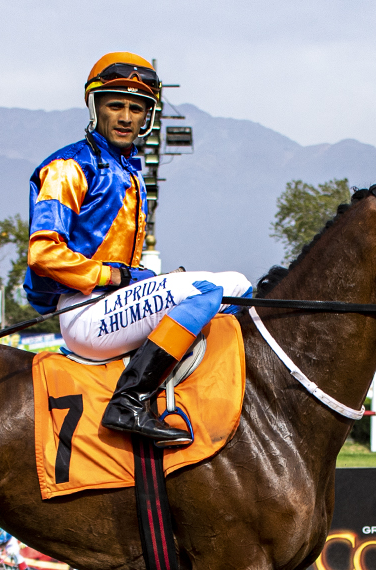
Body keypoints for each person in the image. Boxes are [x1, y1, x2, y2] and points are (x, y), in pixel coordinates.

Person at [25, 52, 251, 446]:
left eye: (136, 108)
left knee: (238, 286)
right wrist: (114, 275)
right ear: (95, 108)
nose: (126, 117)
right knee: (204, 290)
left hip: (115, 303)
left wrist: (142, 279)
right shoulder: (69, 167)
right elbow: (43, 253)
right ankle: (127, 402)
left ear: (147, 116)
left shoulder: (128, 170)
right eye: (116, 105)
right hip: (83, 311)